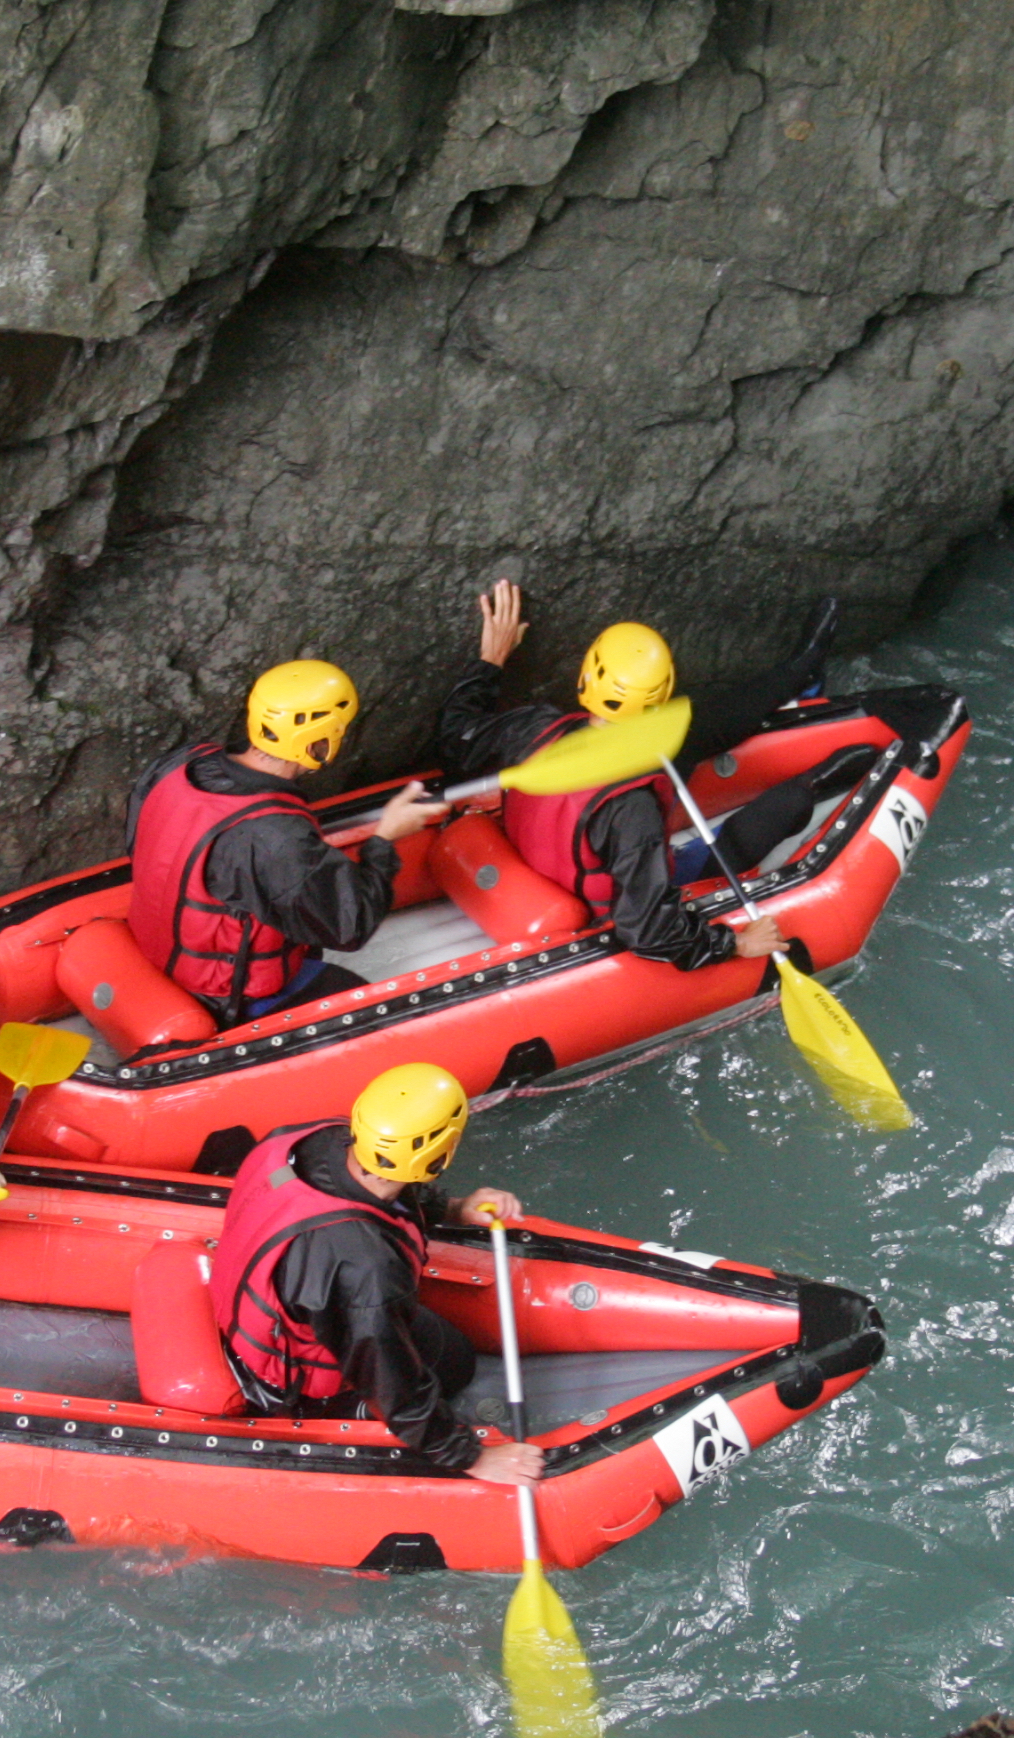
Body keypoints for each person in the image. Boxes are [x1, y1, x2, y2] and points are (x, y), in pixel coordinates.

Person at [435, 582, 864, 969]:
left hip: (548, 854)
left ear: (585, 678)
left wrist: (490, 660)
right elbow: (645, 929)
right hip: (592, 897)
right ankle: (819, 780)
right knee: (757, 826)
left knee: (694, 731)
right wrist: (734, 945)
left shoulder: (532, 728)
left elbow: (457, 737)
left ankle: (800, 673)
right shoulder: (631, 810)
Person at [210, 1063, 544, 1485]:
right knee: (453, 1366)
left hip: (283, 1310)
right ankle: (350, 1412)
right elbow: (392, 1379)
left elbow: (388, 1185)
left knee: (451, 1352)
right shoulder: (367, 1269)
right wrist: (471, 1458)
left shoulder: (311, 1138)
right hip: (290, 1376)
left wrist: (454, 1209)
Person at [128, 657, 447, 1028]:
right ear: (319, 742)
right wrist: (384, 839)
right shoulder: (275, 837)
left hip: (159, 954)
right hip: (226, 998)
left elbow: (140, 845)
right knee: (385, 1016)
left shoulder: (179, 764)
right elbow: (350, 924)